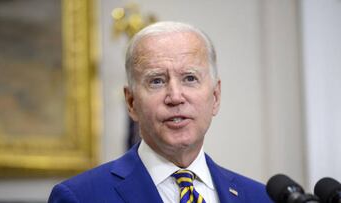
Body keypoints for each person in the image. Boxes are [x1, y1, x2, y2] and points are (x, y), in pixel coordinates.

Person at [48, 21, 272, 203]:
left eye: (190, 78)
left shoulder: (261, 197)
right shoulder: (80, 197)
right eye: (156, 81)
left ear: (215, 96)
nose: (175, 97)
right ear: (132, 102)